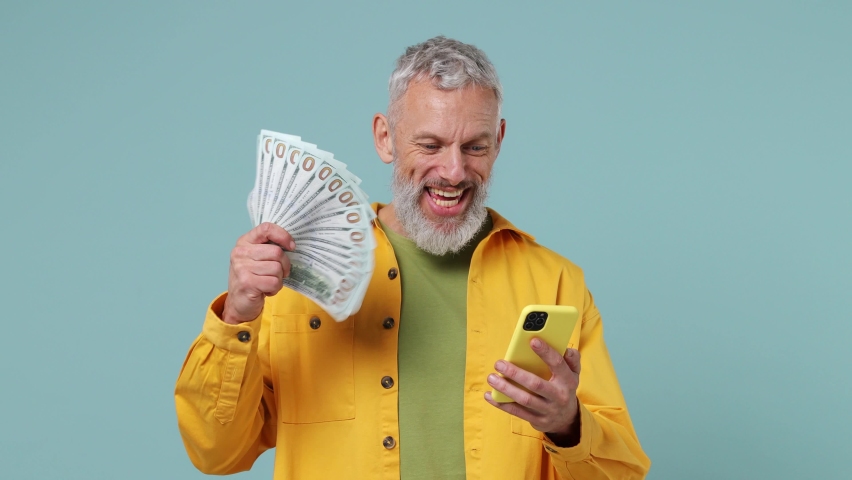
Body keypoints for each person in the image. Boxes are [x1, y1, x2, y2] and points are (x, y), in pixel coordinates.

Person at [175, 36, 651, 479]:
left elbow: (622, 470)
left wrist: (567, 424)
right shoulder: (292, 273)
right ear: (385, 138)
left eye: (475, 147)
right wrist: (237, 314)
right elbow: (217, 452)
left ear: (499, 140)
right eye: (430, 144)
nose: (453, 171)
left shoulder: (556, 283)